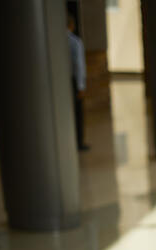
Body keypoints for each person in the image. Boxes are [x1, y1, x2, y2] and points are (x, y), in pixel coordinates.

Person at [67, 13, 89, 151]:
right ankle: (79, 142)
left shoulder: (56, 41)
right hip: (74, 81)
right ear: (72, 25)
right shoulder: (75, 42)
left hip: (63, 81)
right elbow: (79, 65)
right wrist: (81, 86)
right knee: (77, 113)